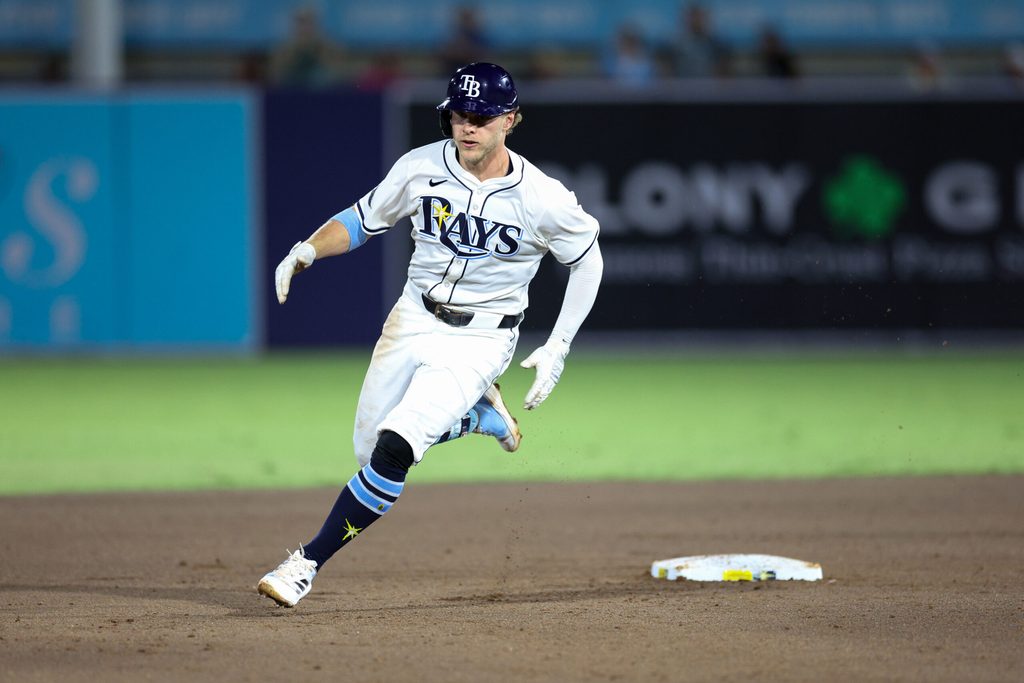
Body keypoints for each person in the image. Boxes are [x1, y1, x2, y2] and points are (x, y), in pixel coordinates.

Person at [257, 62, 604, 607]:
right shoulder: (421, 166)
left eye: (482, 117)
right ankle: (476, 416)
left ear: (510, 120)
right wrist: (307, 249)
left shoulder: (541, 196)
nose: (468, 126)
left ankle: (305, 563)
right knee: (370, 450)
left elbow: (587, 260)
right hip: (413, 317)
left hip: (482, 339)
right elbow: (363, 217)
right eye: (459, 115)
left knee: (395, 450)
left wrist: (558, 345)